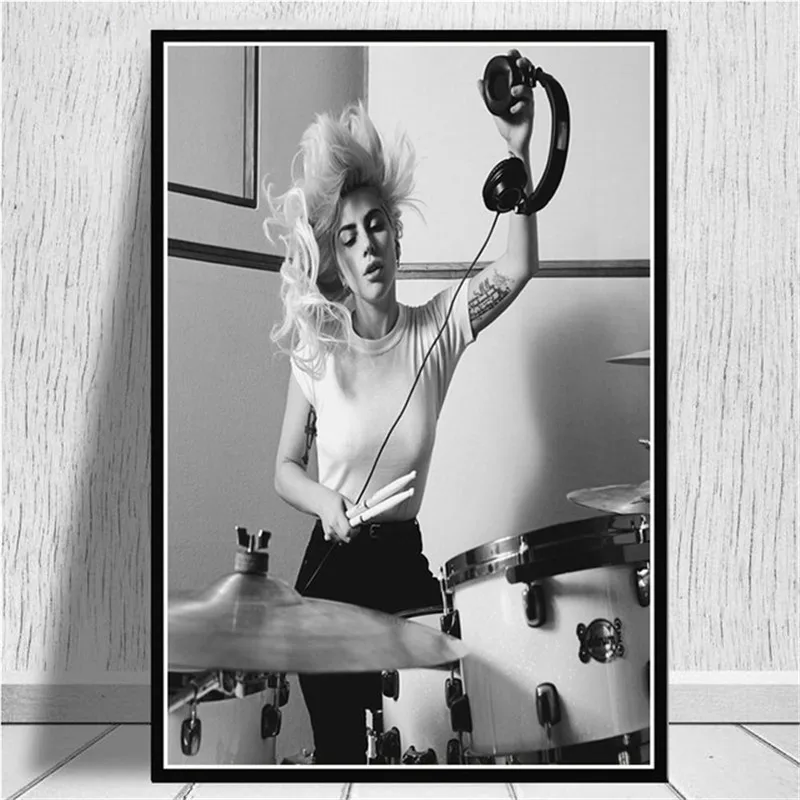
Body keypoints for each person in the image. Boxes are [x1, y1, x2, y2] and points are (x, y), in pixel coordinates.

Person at [266, 49, 540, 764]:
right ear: (337, 259)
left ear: (397, 231)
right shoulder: (318, 346)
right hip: (331, 569)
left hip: (400, 564)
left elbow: (518, 266)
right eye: (349, 237)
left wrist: (519, 152)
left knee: (425, 743)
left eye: (377, 225)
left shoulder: (439, 327)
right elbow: (285, 467)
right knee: (341, 757)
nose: (368, 246)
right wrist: (325, 504)